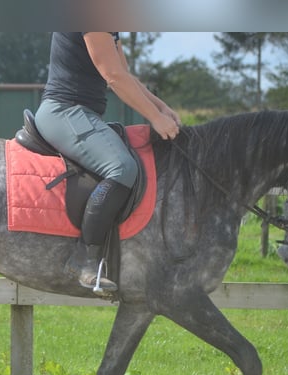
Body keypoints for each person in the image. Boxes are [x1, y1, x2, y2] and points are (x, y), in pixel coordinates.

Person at [34, 32, 181, 294]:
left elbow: (124, 75)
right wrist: (155, 119)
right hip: (64, 111)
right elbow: (112, 75)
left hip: (82, 113)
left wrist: (160, 107)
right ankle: (83, 260)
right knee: (122, 167)